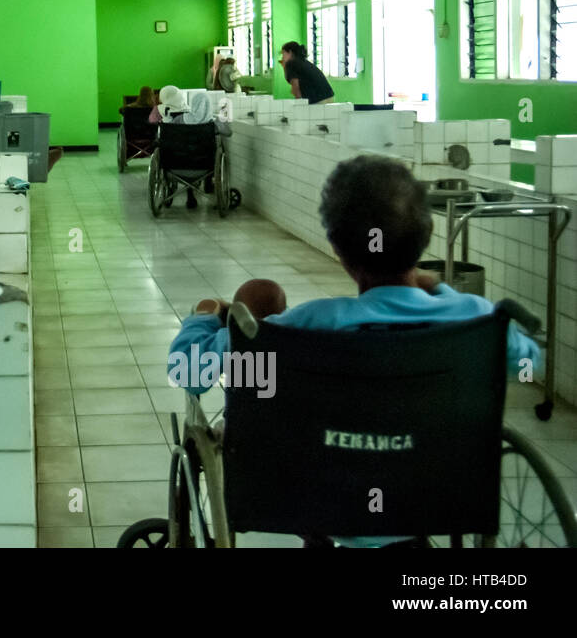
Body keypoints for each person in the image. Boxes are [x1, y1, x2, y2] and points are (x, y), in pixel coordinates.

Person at [169, 155, 540, 547]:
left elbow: (185, 369)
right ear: (425, 234)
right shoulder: (475, 319)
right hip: (431, 495)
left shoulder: (299, 329)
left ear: (337, 248)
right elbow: (531, 360)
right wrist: (444, 296)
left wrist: (203, 316)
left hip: (317, 498)